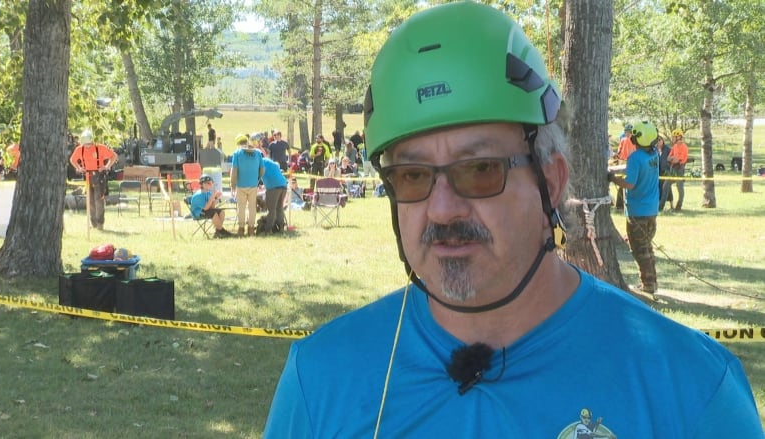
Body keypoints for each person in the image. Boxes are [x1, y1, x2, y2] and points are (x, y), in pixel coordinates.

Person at [264, 3, 762, 438]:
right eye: (413, 176)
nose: (442, 209)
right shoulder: (322, 379)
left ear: (552, 180)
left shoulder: (688, 388)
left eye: (480, 170)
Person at [607, 121, 660, 296]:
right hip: (651, 210)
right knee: (647, 247)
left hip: (638, 212)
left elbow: (629, 184)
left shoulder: (635, 158)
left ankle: (648, 285)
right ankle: (651, 282)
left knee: (639, 249)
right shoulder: (654, 155)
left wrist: (612, 178)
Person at [69, 129, 117, 230]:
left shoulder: (100, 148)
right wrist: (78, 168)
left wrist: (107, 166)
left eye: (89, 144)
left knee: (98, 200)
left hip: (99, 176)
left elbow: (113, 156)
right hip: (87, 175)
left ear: (92, 141)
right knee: (90, 201)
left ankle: (100, 224)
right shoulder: (79, 149)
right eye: (86, 144)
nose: (88, 146)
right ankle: (93, 224)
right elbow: (72, 160)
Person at [230, 133, 264, 237]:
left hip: (241, 185)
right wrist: (257, 179)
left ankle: (241, 229)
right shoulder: (258, 153)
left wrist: (233, 185)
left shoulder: (237, 153)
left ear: (238, 143)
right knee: (252, 207)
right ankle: (251, 229)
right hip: (253, 184)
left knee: (241, 207)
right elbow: (262, 169)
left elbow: (234, 171)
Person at [189, 174, 232, 239]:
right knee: (213, 213)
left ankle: (218, 231)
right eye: (208, 183)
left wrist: (215, 198)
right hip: (198, 213)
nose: (210, 184)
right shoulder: (198, 195)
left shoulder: (208, 193)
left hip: (206, 211)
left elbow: (212, 207)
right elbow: (205, 208)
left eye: (211, 183)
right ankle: (222, 231)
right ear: (202, 184)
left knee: (221, 212)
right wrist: (211, 198)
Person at [660, 128, 689, 211]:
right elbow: (668, 158)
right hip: (672, 169)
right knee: (665, 186)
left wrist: (673, 159)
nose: (672, 138)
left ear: (679, 137)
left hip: (679, 169)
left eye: (674, 137)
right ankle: (661, 206)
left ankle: (679, 206)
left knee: (680, 188)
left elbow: (677, 160)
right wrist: (672, 158)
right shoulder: (674, 146)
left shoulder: (684, 147)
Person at [260, 157, 287, 234]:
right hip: (283, 184)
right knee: (279, 208)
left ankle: (268, 230)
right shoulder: (269, 161)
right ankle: (281, 228)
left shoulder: (259, 162)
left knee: (272, 209)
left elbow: (257, 175)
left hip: (273, 187)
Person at [613, 124, 635, 209]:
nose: (628, 133)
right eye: (626, 132)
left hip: (630, 163)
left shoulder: (634, 141)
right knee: (621, 184)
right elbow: (619, 150)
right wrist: (617, 155)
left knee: (629, 183)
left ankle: (628, 203)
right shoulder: (623, 140)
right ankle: (619, 204)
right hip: (622, 162)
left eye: (629, 132)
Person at [655, 135, 673, 211]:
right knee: (659, 187)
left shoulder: (668, 149)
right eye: (657, 140)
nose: (658, 142)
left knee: (668, 188)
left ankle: (672, 205)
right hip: (657, 171)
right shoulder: (654, 150)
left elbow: (671, 158)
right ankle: (659, 204)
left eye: (660, 140)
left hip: (666, 171)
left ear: (663, 141)